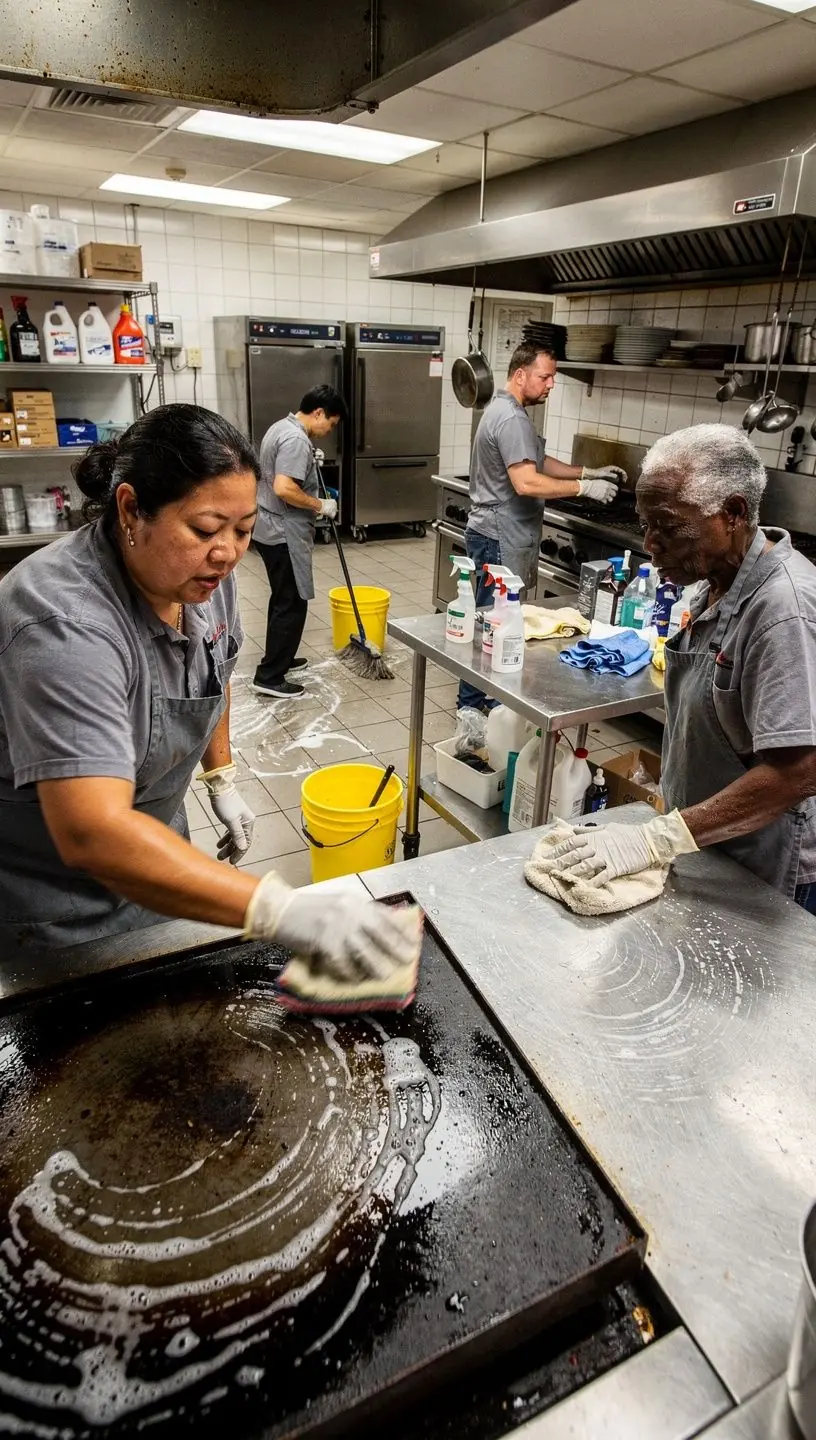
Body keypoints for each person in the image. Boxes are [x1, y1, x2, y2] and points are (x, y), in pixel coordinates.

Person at [0, 402, 421, 978]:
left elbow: (212, 672)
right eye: (204, 529)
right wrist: (277, 908)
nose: (226, 553)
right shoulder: (63, 624)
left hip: (157, 864)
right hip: (53, 908)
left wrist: (220, 775)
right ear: (131, 509)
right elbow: (92, 832)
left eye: (243, 530)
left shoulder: (200, 578)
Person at [539, 423, 816, 911]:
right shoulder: (714, 580)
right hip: (711, 840)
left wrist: (657, 840)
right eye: (645, 524)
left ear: (732, 513)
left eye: (667, 527)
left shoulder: (782, 610)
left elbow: (798, 771)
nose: (650, 543)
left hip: (765, 866)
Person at [459, 341, 627, 710]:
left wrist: (587, 471)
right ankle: (474, 705)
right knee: (495, 623)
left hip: (495, 532)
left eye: (553, 377)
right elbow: (527, 481)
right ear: (520, 375)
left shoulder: (504, 409)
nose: (551, 384)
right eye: (545, 376)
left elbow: (538, 460)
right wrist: (583, 488)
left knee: (494, 620)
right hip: (500, 536)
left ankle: (482, 698)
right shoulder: (511, 418)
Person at [251, 385, 349, 699]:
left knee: (283, 597)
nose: (328, 431)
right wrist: (320, 505)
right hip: (284, 532)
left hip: (268, 528)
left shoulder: (282, 427)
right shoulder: (296, 439)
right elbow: (283, 488)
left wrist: (307, 462)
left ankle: (281, 656)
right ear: (318, 413)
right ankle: (270, 677)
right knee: (292, 602)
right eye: (331, 424)